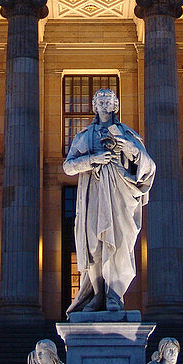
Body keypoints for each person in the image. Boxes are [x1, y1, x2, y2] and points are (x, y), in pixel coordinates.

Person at [63, 88, 155, 315]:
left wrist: (131, 150)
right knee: (94, 245)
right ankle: (97, 294)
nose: (104, 105)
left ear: (116, 106)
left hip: (120, 194)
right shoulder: (84, 136)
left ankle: (115, 295)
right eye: (100, 102)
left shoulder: (127, 134)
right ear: (94, 106)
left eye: (109, 102)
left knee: (119, 245)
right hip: (93, 194)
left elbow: (149, 166)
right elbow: (68, 166)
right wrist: (92, 159)